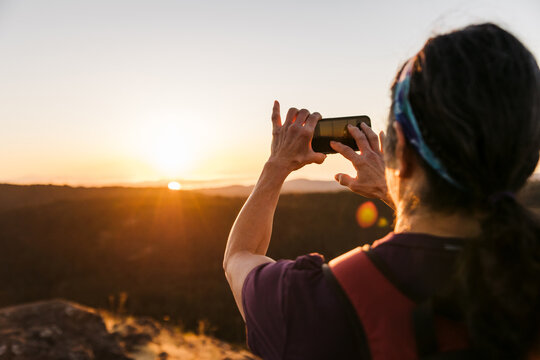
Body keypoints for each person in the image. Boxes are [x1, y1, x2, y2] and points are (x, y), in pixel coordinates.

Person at [223, 23, 540, 360]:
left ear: (400, 145)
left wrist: (277, 165)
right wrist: (400, 195)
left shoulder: (314, 304)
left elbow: (238, 257)